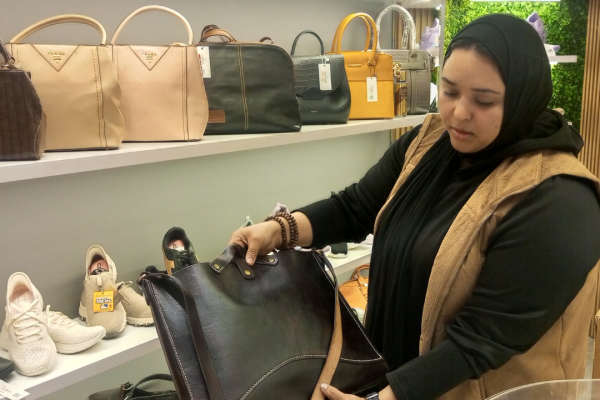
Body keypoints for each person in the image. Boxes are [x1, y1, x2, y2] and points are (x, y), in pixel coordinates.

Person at [229, 14, 600, 400]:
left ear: (525, 96)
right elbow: (356, 207)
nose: (458, 113)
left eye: (484, 100)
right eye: (451, 91)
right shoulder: (431, 143)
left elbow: (482, 340)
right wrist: (279, 229)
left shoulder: (559, 197)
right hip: (395, 378)